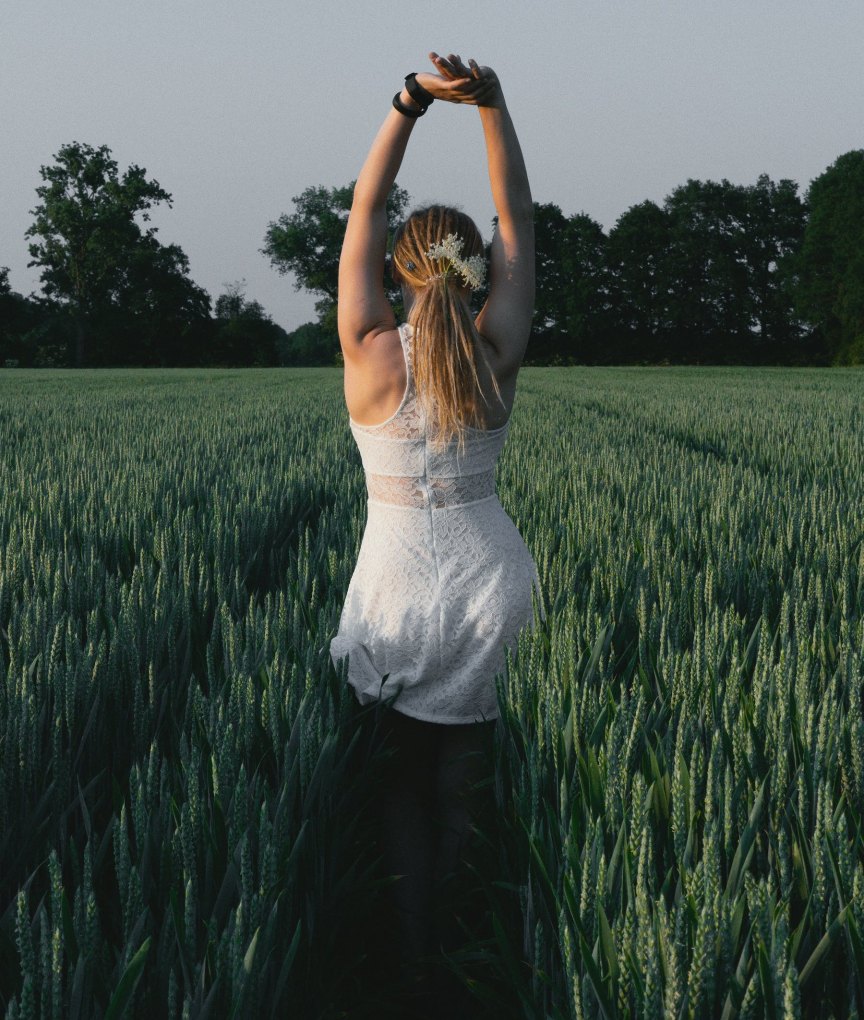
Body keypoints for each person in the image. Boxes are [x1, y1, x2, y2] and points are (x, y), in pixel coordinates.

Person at [329, 52, 543, 1015]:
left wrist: (409, 103)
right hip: (491, 583)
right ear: (474, 268)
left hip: (396, 592)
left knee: (402, 787)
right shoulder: (498, 349)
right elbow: (520, 225)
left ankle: (411, 956)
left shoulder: (371, 348)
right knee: (468, 785)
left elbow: (364, 213)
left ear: (403, 267)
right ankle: (472, 951)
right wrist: (493, 107)